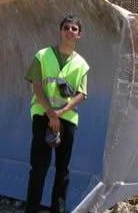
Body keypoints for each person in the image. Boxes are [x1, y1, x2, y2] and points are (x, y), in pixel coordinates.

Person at [24, 15, 89, 213]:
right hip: (43, 115)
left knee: (63, 169)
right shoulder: (42, 56)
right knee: (39, 167)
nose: (70, 31)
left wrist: (61, 112)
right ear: (60, 31)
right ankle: (32, 209)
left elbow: (82, 94)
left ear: (79, 35)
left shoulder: (82, 64)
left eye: (74, 29)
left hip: (67, 119)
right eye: (66, 27)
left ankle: (57, 209)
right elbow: (36, 86)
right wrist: (51, 114)